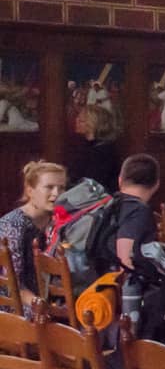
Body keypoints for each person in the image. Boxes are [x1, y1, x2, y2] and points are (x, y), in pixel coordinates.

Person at [0, 161, 65, 314]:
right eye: (49, 187)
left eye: (61, 188)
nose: (57, 194)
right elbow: (12, 284)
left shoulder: (58, 221)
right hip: (15, 306)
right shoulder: (14, 225)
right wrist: (41, 305)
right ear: (30, 191)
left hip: (47, 299)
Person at [106, 154, 162, 271]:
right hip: (116, 285)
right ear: (157, 184)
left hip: (94, 283)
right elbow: (125, 262)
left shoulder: (108, 204)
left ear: (120, 180)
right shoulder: (137, 211)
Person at [66, 104, 120, 192]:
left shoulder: (103, 152)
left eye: (82, 120)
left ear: (93, 124)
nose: (76, 121)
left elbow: (93, 183)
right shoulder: (85, 146)